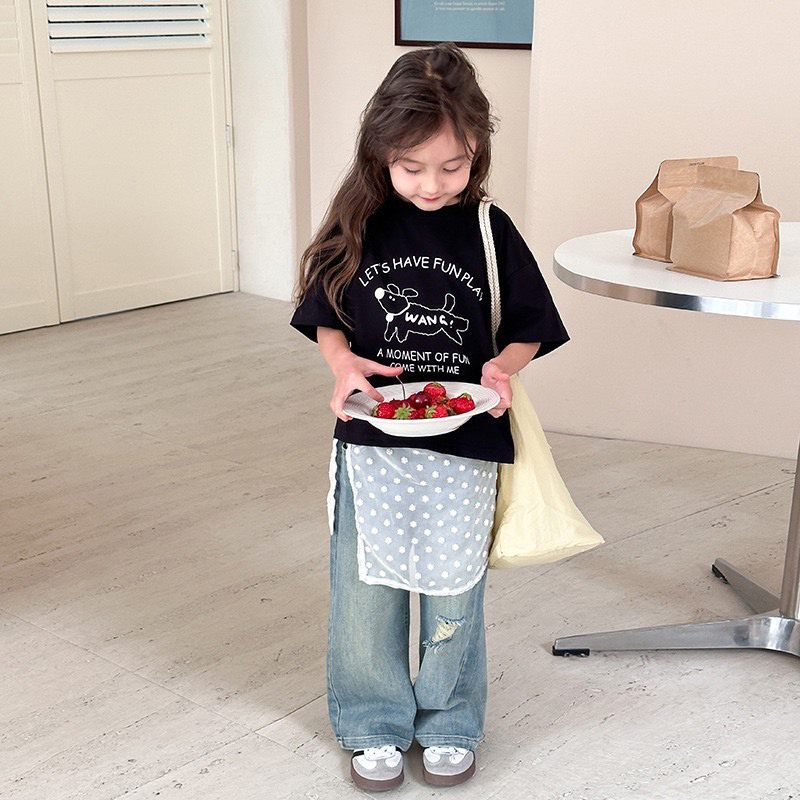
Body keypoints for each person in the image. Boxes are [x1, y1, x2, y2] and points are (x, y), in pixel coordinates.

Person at [290, 42, 569, 792]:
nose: (433, 185)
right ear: (381, 151)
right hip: (372, 435)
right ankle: (372, 721)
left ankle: (448, 719)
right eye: (411, 167)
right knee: (364, 593)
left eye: (453, 166)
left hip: (466, 439)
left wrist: (502, 368)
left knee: (454, 590)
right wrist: (342, 364)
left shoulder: (489, 229)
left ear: (477, 150)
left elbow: (531, 325)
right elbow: (325, 315)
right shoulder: (360, 222)